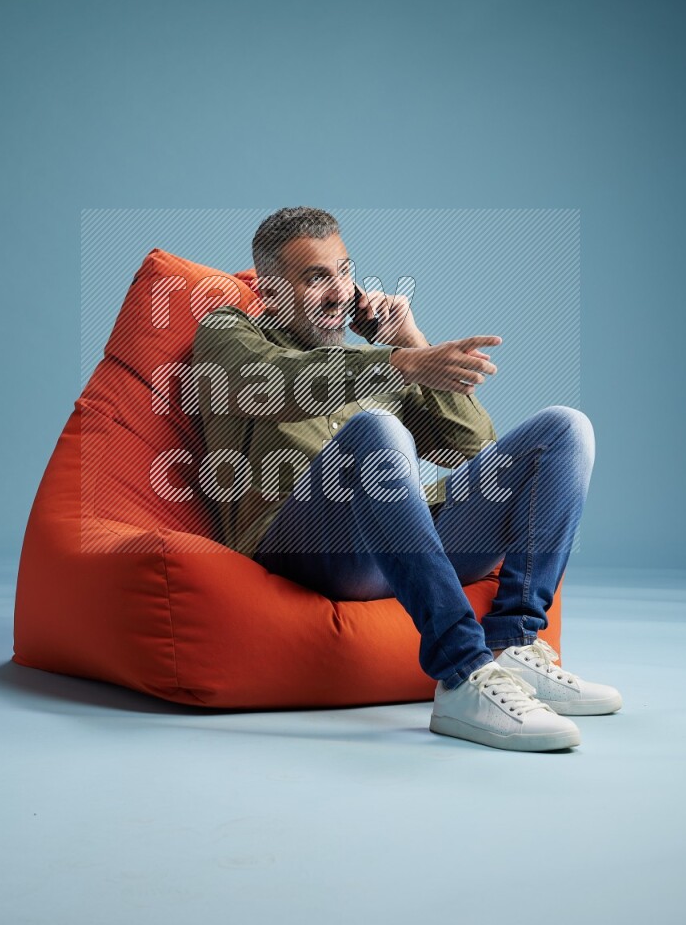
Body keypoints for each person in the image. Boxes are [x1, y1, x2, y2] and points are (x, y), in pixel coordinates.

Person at [190, 206, 621, 752]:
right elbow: (276, 383)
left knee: (563, 430)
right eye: (317, 277)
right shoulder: (229, 331)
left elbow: (474, 447)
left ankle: (512, 644)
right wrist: (396, 364)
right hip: (300, 546)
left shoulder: (379, 358)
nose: (340, 292)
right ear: (272, 291)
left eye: (345, 272)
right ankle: (464, 675)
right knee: (377, 432)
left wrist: (410, 341)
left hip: (399, 550)